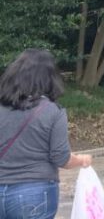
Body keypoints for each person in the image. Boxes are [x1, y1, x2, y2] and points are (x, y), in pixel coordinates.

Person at [0, 49, 93, 219]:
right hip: (34, 192)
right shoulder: (53, 112)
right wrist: (82, 160)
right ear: (50, 78)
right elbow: (61, 158)